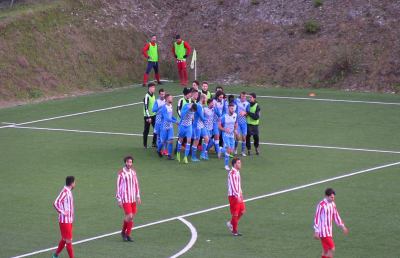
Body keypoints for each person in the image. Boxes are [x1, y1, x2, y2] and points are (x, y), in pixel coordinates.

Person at [313, 188, 349, 258]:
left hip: (329, 231)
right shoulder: (321, 205)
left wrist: (343, 226)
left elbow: (336, 215)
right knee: (332, 248)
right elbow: (316, 217)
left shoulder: (333, 204)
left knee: (326, 250)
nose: (333, 199)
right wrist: (316, 231)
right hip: (323, 231)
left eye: (333, 197)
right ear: (326, 196)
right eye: (331, 197)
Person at [116, 156, 141, 242]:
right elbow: (118, 187)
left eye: (131, 162)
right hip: (125, 198)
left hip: (133, 198)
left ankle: (125, 234)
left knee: (131, 217)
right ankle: (125, 233)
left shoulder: (133, 172)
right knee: (130, 216)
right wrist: (119, 199)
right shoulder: (121, 173)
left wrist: (138, 196)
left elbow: (136, 184)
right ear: (125, 162)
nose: (129, 164)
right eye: (128, 162)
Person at [52, 176, 76, 258]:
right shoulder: (65, 192)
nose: (75, 184)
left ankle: (55, 255)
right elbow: (55, 203)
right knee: (68, 241)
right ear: (72, 183)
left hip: (68, 220)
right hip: (65, 221)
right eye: (74, 182)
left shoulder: (68, 191)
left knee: (64, 239)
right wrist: (62, 212)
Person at [226, 157, 245, 237]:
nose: (240, 164)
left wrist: (241, 193)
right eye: (238, 163)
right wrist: (238, 196)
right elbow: (233, 186)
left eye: (240, 162)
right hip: (233, 196)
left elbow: (238, 184)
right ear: (234, 164)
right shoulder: (232, 173)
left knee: (242, 211)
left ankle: (231, 223)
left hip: (238, 195)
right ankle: (234, 231)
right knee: (235, 214)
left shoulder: (237, 172)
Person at [157, 94, 178, 160]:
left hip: (170, 127)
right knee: (163, 142)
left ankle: (169, 155)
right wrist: (175, 122)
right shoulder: (164, 108)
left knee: (171, 141)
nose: (172, 99)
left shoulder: (171, 106)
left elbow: (170, 116)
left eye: (172, 97)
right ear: (166, 99)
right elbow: (166, 118)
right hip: (164, 127)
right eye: (170, 98)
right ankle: (158, 150)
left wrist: (176, 120)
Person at [219, 103, 238, 171]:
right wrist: (224, 129)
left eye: (233, 108)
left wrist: (235, 130)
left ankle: (220, 150)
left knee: (231, 150)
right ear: (228, 108)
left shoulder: (235, 115)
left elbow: (236, 123)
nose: (232, 110)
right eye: (231, 108)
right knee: (229, 149)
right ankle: (226, 165)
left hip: (232, 135)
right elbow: (219, 126)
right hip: (225, 135)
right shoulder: (224, 117)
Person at [191, 93, 208, 161]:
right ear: (202, 99)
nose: (206, 101)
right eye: (205, 99)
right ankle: (193, 157)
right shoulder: (198, 106)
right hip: (197, 126)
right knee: (196, 141)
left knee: (206, 139)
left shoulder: (201, 105)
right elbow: (202, 117)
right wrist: (209, 119)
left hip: (201, 125)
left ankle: (202, 154)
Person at [152, 88, 166, 155]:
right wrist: (160, 107)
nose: (163, 95)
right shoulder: (157, 101)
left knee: (164, 135)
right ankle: (159, 149)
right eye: (161, 94)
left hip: (164, 120)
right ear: (159, 94)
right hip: (158, 120)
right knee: (158, 135)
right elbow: (153, 110)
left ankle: (164, 149)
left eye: (163, 94)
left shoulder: (166, 100)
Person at [143, 82, 157, 148]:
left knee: (156, 129)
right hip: (147, 116)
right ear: (150, 88)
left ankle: (154, 143)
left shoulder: (153, 95)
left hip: (154, 115)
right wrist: (148, 117)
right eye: (153, 87)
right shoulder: (146, 96)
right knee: (146, 130)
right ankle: (145, 144)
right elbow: (146, 107)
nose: (154, 89)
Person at [235, 92, 249, 156]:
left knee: (244, 137)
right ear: (240, 96)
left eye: (245, 96)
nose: (243, 98)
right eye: (242, 96)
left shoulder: (247, 103)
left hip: (244, 123)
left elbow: (248, 113)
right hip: (237, 122)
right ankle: (235, 149)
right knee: (238, 137)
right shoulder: (236, 101)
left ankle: (243, 151)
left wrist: (244, 113)